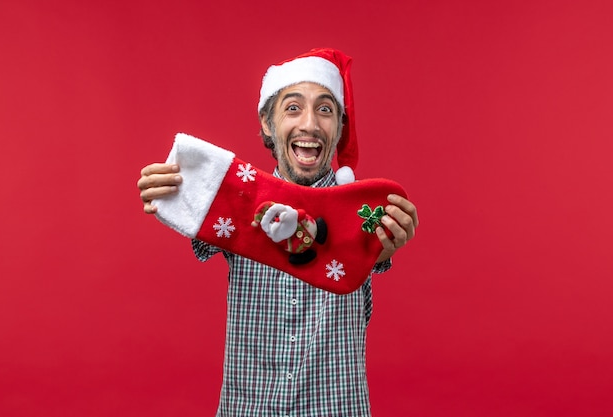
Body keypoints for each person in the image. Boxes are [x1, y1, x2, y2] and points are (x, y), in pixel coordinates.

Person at [137, 48, 419, 417]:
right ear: (268, 124)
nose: (310, 125)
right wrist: (172, 192)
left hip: (337, 407)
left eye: (325, 109)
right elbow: (195, 212)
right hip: (248, 407)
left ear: (339, 128)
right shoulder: (238, 200)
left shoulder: (364, 212)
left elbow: (373, 258)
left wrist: (381, 251)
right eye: (292, 108)